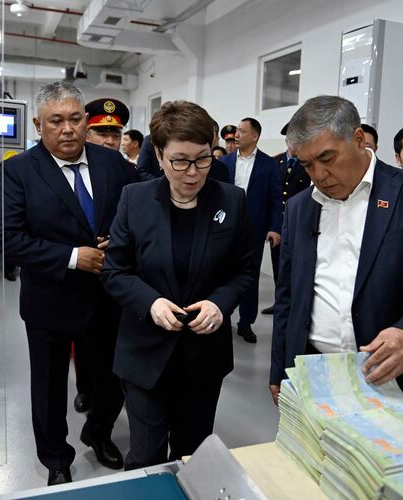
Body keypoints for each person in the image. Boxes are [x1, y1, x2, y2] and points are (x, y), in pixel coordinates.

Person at [269, 95, 403, 404]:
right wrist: (280, 368)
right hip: (314, 370)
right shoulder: (299, 207)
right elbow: (288, 296)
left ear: (358, 139)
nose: (318, 175)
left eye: (327, 158)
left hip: (394, 375)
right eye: (307, 165)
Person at [0, 82, 137, 485]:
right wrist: (73, 257)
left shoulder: (112, 164)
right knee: (50, 388)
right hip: (50, 299)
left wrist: (118, 239)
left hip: (107, 296)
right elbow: (5, 240)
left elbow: (135, 214)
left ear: (86, 121)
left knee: (113, 377)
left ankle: (99, 432)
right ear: (39, 125)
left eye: (75, 119)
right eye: (56, 121)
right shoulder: (18, 171)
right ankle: (56, 458)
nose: (68, 129)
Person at [101, 100, 256, 469]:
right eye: (180, 161)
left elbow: (245, 270)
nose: (193, 172)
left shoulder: (231, 200)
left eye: (202, 159)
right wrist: (151, 303)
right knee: (147, 456)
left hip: (203, 357)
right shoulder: (135, 200)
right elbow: (115, 271)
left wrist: (219, 304)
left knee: (192, 454)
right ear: (159, 154)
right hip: (145, 353)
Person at [72, 97, 134, 414]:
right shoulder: (70, 170)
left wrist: (120, 241)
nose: (109, 141)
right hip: (75, 270)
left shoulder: (129, 172)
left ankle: (107, 397)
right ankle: (85, 388)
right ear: (87, 132)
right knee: (82, 340)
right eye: (101, 133)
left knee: (110, 338)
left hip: (114, 271)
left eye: (115, 134)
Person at [221, 118, 282, 343]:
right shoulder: (224, 162)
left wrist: (274, 228)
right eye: (237, 130)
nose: (236, 135)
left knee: (250, 276)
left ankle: (246, 323)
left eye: (241, 131)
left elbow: (276, 199)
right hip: (224, 227)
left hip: (254, 229)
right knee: (222, 273)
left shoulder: (269, 165)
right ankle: (222, 316)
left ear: (254, 136)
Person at [262, 122, 311, 315]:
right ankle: (280, 302)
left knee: (298, 264)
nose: (294, 142)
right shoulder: (274, 162)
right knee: (278, 264)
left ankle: (296, 304)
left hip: (300, 222)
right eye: (292, 138)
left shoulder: (308, 163)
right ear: (287, 141)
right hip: (279, 224)